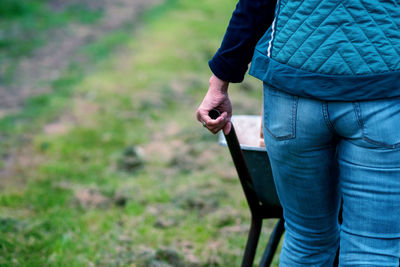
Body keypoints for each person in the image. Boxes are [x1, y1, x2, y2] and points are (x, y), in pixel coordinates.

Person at [196, 0, 400, 266]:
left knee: (306, 241)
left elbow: (255, 5)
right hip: (380, 90)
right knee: (373, 249)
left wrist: (219, 82)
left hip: (292, 92)